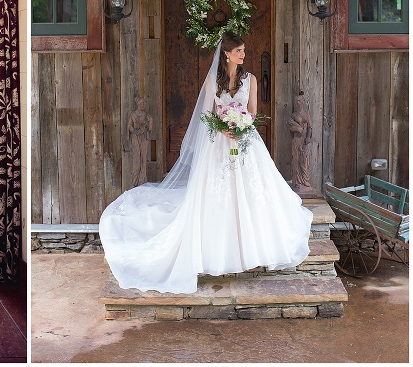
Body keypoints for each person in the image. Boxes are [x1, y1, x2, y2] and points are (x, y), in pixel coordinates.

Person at [99, 32, 313, 294]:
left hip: (246, 141)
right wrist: (224, 129)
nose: (243, 55)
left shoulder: (251, 79)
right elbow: (208, 114)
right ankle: (217, 249)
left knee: (253, 189)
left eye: (244, 50)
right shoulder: (214, 80)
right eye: (239, 51)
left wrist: (243, 124)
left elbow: (254, 111)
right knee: (217, 192)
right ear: (226, 54)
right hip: (219, 143)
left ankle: (252, 246)